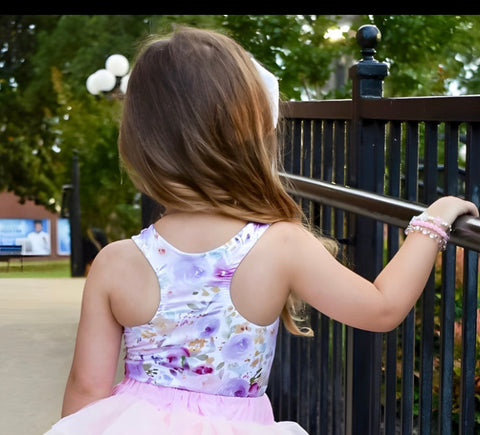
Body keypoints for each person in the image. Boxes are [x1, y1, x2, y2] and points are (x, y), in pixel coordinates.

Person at [44, 27, 478, 434]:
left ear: (139, 142)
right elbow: (383, 308)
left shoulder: (116, 261)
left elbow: (87, 391)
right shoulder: (279, 245)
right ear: (251, 132)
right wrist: (433, 221)